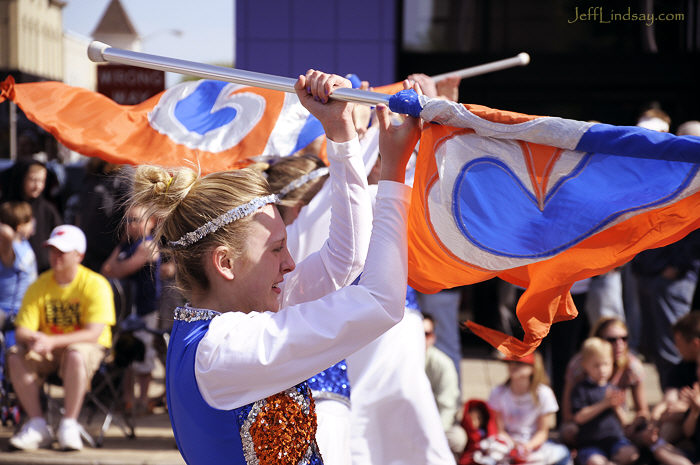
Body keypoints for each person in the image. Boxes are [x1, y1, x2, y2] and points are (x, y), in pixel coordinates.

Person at [128, 70, 419, 464]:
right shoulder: (224, 349)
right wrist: (393, 175)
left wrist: (340, 133)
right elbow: (382, 302)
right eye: (276, 249)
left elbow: (346, 261)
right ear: (225, 263)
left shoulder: (231, 322)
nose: (290, 262)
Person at [6, 224, 116, 451]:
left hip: (87, 350)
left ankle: (69, 424)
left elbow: (94, 333)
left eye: (62, 251)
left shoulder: (96, 284)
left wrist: (52, 341)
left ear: (79, 255)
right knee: (15, 355)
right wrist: (35, 338)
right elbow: (22, 331)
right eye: (52, 250)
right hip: (47, 350)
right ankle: (37, 424)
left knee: (76, 353)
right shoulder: (39, 285)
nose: (55, 256)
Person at [101, 203, 161, 415]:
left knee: (144, 354)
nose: (130, 225)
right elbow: (105, 270)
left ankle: (142, 401)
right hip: (127, 312)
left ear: (151, 223)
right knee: (126, 355)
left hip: (145, 309)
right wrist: (118, 264)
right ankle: (128, 400)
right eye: (126, 220)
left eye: (135, 220)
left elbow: (121, 269)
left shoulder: (148, 245)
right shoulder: (125, 245)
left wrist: (117, 267)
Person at [560, 317, 649, 444]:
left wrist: (633, 425)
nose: (619, 344)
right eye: (612, 340)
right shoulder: (579, 364)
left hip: (616, 421)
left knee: (645, 433)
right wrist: (601, 406)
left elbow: (643, 410)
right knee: (569, 431)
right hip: (584, 422)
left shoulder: (632, 365)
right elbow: (567, 414)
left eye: (624, 338)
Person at [488, 351, 571, 465]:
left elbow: (542, 432)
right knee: (492, 453)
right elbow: (499, 429)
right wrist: (513, 445)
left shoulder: (543, 393)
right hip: (506, 444)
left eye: (519, 363)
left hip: (532, 445)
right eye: (510, 362)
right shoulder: (498, 392)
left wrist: (527, 446)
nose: (513, 366)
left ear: (533, 368)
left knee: (563, 453)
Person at [570, 337, 639, 465]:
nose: (602, 370)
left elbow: (625, 421)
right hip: (590, 442)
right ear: (585, 365)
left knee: (631, 454)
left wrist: (616, 407)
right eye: (596, 365)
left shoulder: (613, 389)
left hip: (615, 439)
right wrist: (604, 404)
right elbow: (579, 417)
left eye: (606, 364)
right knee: (595, 462)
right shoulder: (581, 389)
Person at [4, 160, 62, 273]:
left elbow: (58, 235)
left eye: (42, 181)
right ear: (21, 179)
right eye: (33, 180)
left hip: (43, 272)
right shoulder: (8, 208)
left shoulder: (47, 209)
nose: (38, 186)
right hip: (12, 273)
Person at [424, 313, 466, 456]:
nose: (420, 338)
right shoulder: (397, 360)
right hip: (403, 424)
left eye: (425, 334)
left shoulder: (443, 364)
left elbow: (447, 408)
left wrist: (433, 437)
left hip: (435, 426)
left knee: (457, 437)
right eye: (416, 332)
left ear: (433, 337)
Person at [0, 201, 38, 343]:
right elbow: (6, 234)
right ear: (20, 226)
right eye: (29, 221)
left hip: (24, 309)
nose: (34, 224)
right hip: (9, 313)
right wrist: (7, 227)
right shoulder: (8, 250)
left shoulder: (23, 242)